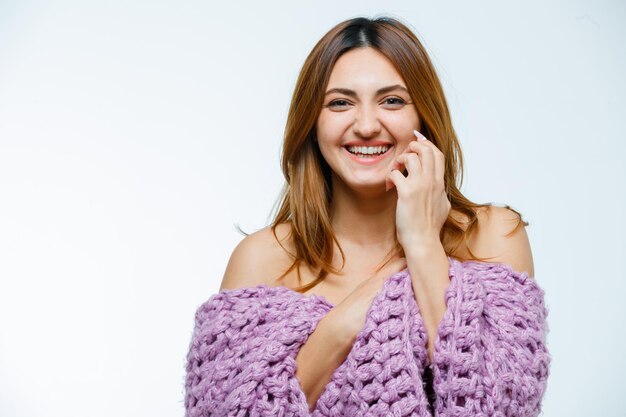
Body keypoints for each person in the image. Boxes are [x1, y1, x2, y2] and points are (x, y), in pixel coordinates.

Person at [186, 15, 548, 417]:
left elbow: (498, 406)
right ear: (312, 121)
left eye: (392, 100)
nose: (366, 125)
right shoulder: (262, 258)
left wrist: (423, 243)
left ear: (423, 117)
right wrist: (343, 325)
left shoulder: (493, 237)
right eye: (340, 102)